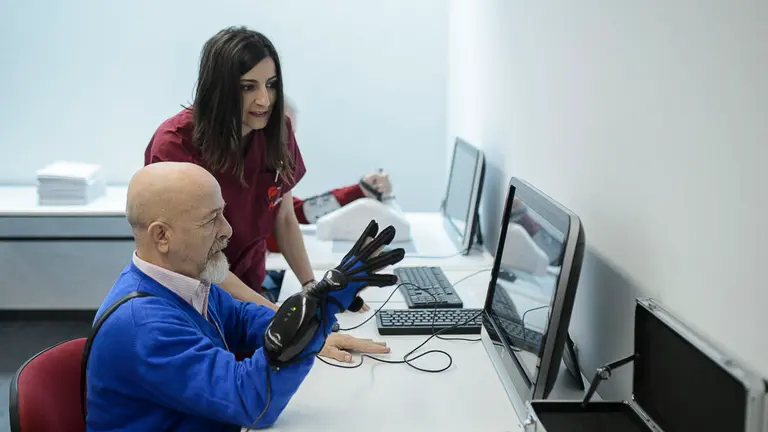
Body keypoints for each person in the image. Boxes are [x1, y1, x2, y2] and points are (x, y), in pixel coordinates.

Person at [85, 161, 404, 431]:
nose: (227, 230)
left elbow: (244, 319)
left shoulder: (183, 284)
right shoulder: (143, 326)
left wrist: (316, 309)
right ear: (162, 236)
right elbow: (250, 401)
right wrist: (323, 306)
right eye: (212, 220)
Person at [143, 26, 386, 362]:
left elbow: (284, 218)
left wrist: (313, 291)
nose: (264, 100)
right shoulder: (176, 145)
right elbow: (199, 262)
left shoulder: (277, 131)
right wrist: (285, 321)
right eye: (248, 87)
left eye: (271, 85)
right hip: (193, 299)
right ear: (219, 89)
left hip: (248, 285)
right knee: (222, 391)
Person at [264, 100, 393, 253]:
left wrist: (362, 189)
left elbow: (299, 212)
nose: (290, 146)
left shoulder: (269, 177)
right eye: (285, 136)